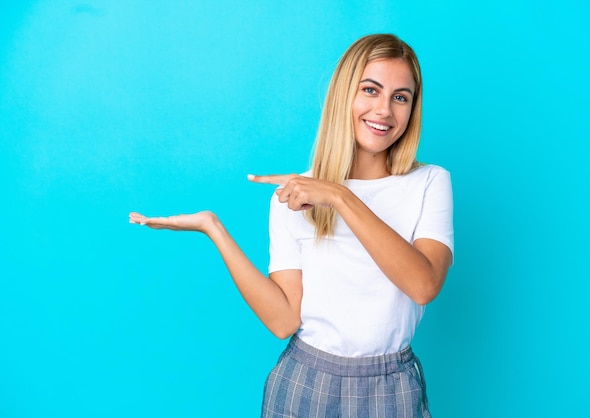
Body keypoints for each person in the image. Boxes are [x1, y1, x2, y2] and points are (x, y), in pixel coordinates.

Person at [129, 33, 453, 418]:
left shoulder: (430, 182)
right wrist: (213, 228)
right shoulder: (293, 195)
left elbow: (423, 284)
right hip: (306, 382)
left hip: (391, 386)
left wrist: (340, 196)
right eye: (370, 90)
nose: (384, 109)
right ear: (344, 95)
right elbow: (284, 321)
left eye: (400, 97)